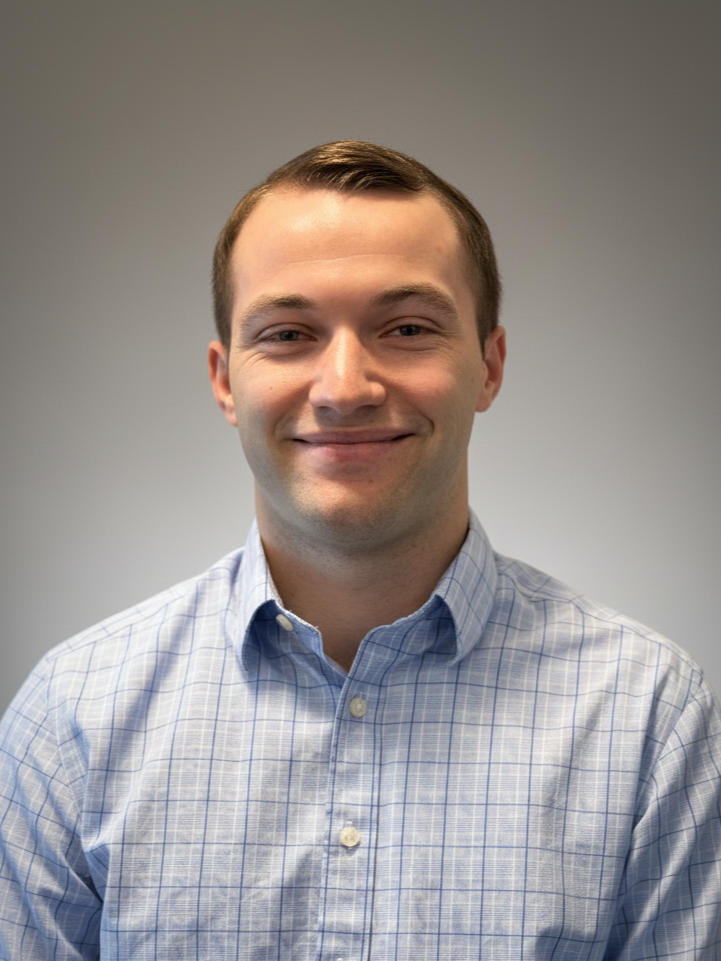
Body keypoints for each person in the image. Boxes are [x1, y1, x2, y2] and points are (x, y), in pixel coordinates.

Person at [1, 141, 719, 961]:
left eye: (406, 327)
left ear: (487, 366)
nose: (344, 386)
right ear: (225, 380)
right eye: (289, 333)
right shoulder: (71, 723)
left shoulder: (645, 718)